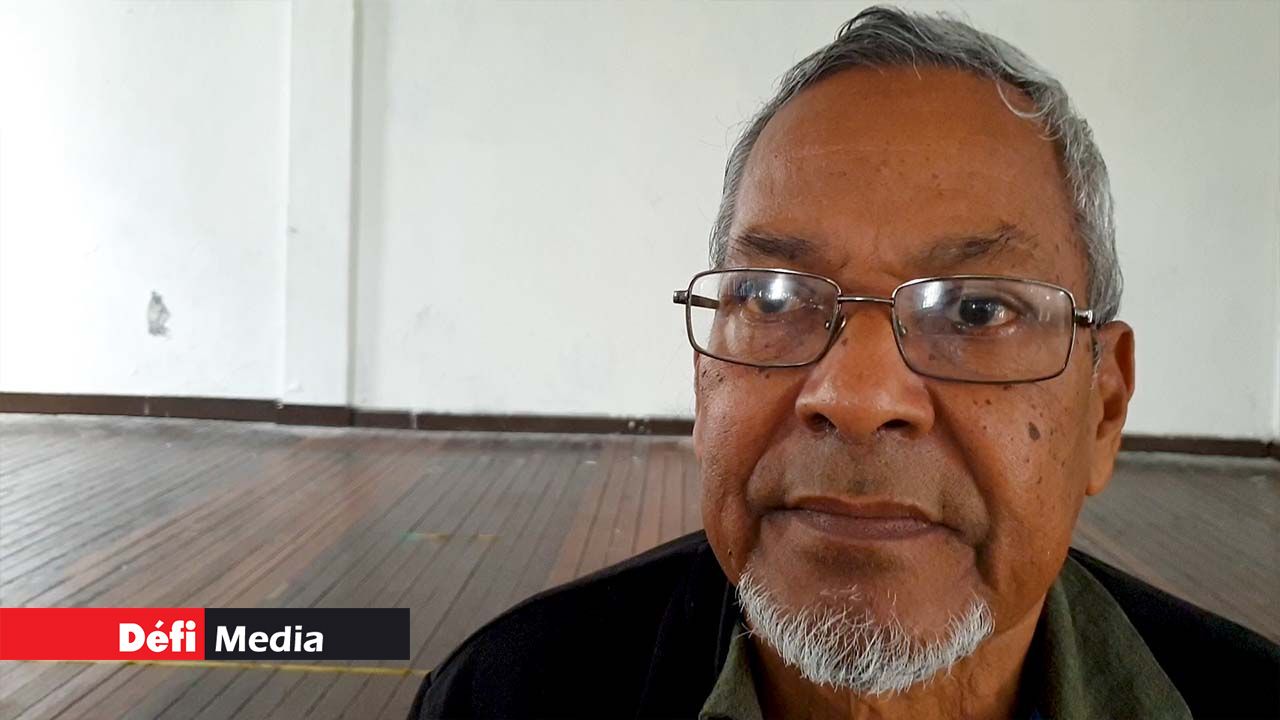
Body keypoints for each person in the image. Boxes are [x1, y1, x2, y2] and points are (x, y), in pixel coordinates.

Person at [411, 6, 1279, 718]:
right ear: (706, 381)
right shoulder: (506, 697)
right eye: (773, 299)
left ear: (1104, 409)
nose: (856, 396)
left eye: (978, 310)